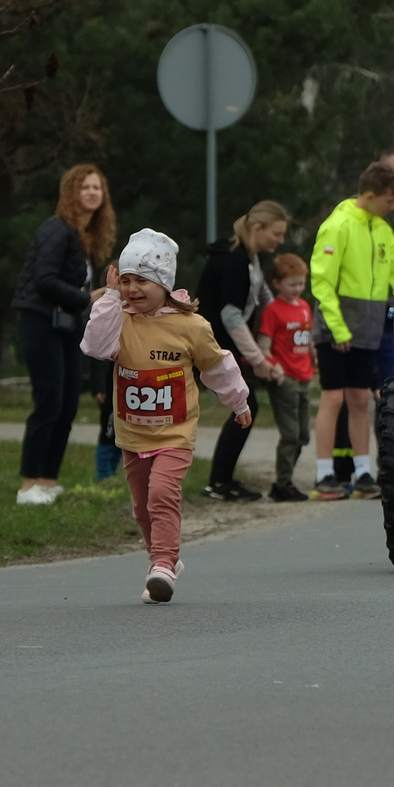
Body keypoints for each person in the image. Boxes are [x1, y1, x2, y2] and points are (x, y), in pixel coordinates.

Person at [80, 231, 252, 600]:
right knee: (142, 507)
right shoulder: (120, 320)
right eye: (125, 281)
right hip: (132, 433)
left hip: (175, 433)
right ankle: (162, 559)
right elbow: (95, 346)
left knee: (161, 494)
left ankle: (162, 563)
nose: (132, 289)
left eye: (141, 280)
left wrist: (238, 403)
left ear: (163, 282)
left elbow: (218, 367)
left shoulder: (190, 326)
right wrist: (109, 298)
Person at [9, 165, 113, 506]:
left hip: (68, 326)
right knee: (49, 402)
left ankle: (48, 481)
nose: (92, 192)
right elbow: (44, 280)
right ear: (71, 192)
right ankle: (28, 485)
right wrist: (88, 297)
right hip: (41, 322)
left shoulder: (84, 237)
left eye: (97, 187)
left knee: (68, 405)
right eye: (84, 187)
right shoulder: (56, 229)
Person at [309, 163, 394, 500]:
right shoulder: (337, 225)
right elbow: (322, 281)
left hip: (367, 326)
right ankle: (324, 474)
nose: (392, 207)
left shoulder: (382, 229)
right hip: (336, 325)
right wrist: (337, 328)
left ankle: (364, 471)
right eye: (389, 200)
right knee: (333, 396)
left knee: (360, 399)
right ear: (369, 195)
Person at [193, 200, 291, 503]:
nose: (281, 240)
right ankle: (219, 482)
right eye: (276, 233)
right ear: (257, 228)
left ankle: (222, 480)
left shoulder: (248, 256)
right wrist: (260, 360)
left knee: (245, 407)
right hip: (213, 343)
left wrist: (282, 314)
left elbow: (261, 292)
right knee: (245, 407)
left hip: (227, 343)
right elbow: (231, 317)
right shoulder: (234, 261)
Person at [255, 254, 319, 500]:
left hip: (305, 375)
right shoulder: (273, 311)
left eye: (301, 283)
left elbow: (307, 337)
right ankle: (282, 483)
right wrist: (273, 367)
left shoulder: (303, 307)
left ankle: (286, 479)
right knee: (290, 434)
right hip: (285, 378)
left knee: (303, 434)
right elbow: (264, 345)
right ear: (277, 283)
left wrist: (314, 355)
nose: (297, 289)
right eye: (291, 284)